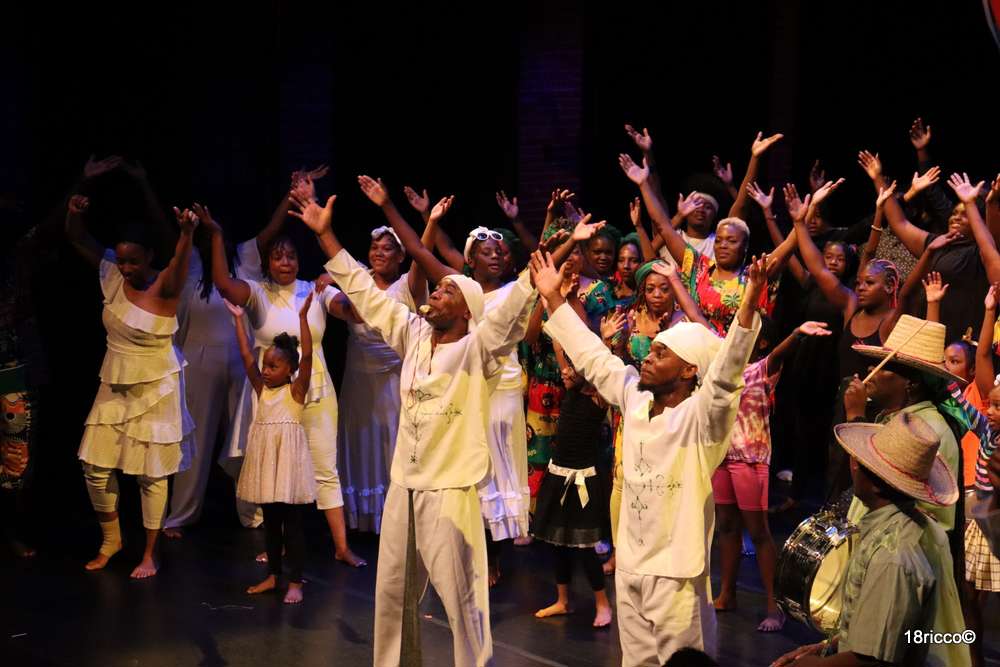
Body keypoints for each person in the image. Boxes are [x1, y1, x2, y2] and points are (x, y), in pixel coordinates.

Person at [294, 191, 539, 667]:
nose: (436, 293)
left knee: (463, 599)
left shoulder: (477, 350)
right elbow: (365, 293)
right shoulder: (413, 333)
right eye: (437, 288)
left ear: (466, 311)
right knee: (391, 591)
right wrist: (325, 235)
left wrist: (535, 276)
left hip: (450, 489)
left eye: (447, 291)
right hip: (404, 485)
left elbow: (509, 315)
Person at [538, 245, 766, 663]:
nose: (648, 357)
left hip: (676, 574)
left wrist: (749, 302)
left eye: (661, 354)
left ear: (689, 370)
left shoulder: (701, 420)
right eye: (652, 349)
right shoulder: (635, 399)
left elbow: (726, 375)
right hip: (631, 565)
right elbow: (593, 357)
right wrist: (553, 297)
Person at [356, 175, 533, 581]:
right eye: (486, 252)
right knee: (471, 468)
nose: (495, 257)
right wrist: (403, 210)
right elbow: (420, 250)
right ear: (470, 260)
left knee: (499, 471)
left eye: (500, 252)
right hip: (468, 387)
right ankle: (463, 551)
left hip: (503, 389)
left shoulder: (511, 291)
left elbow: (534, 291)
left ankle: (494, 556)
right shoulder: (461, 289)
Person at [162, 168, 326, 537]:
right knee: (195, 438)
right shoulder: (192, 263)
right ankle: (182, 513)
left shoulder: (245, 258)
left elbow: (272, 229)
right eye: (207, 233)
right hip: (199, 358)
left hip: (243, 360)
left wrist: (292, 193)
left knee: (247, 439)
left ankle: (252, 511)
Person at [203, 203, 364, 567]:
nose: (285, 262)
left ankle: (341, 547)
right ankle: (280, 546)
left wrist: (341, 283)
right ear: (268, 263)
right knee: (277, 472)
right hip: (274, 398)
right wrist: (215, 235)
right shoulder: (257, 292)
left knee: (325, 469)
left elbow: (353, 311)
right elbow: (223, 285)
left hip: (316, 391)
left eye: (291, 256)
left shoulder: (314, 291)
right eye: (277, 257)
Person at [65, 195, 197, 579]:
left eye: (133, 261)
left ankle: (150, 553)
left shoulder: (166, 287)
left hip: (157, 385)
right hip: (115, 379)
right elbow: (77, 238)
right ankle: (112, 540)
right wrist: (74, 213)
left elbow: (180, 262)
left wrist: (187, 233)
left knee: (152, 474)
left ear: (150, 256)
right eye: (121, 260)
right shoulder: (112, 275)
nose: (125, 268)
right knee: (94, 465)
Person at [771, 412, 963, 667]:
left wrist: (811, 665)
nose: (853, 467)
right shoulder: (891, 531)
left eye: (860, 463)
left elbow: (872, 661)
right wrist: (827, 647)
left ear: (875, 485)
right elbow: (882, 632)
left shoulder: (891, 557)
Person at [712, 319, 832, 632]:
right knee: (726, 526)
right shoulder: (723, 369)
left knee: (758, 532)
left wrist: (795, 332)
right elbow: (699, 320)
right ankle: (727, 594)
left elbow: (779, 353)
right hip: (722, 457)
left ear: (761, 342)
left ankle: (773, 605)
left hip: (750, 459)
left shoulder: (761, 369)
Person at [619, 136, 791, 336]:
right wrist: (643, 184)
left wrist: (800, 221)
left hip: (739, 351)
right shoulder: (699, 268)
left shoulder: (753, 275)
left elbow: (786, 243)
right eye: (719, 241)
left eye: (731, 241)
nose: (723, 245)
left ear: (745, 247)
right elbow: (664, 227)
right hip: (696, 349)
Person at [228, 294, 316, 604]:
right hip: (268, 463)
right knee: (271, 524)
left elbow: (308, 357)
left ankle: (296, 581)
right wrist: (239, 319)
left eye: (274, 366)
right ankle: (273, 575)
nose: (265, 370)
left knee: (292, 525)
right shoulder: (261, 389)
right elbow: (245, 354)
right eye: (265, 365)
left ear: (290, 369)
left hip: (287, 465)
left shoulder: (296, 390)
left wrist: (303, 319)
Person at [531, 351, 613, 628]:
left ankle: (602, 603)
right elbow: (559, 348)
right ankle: (563, 600)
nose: (564, 372)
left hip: (582, 479)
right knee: (558, 543)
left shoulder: (598, 396)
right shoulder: (571, 389)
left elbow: (600, 366)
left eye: (571, 370)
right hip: (558, 474)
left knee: (584, 547)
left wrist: (603, 343)